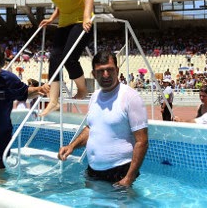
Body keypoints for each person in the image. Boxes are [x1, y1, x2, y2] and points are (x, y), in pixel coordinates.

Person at [57, 51, 148, 187]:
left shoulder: (130, 97)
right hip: (93, 171)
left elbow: (142, 141)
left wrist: (129, 178)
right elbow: (91, 128)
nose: (105, 75)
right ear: (94, 74)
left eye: (110, 70)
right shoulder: (95, 97)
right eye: (100, 71)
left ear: (117, 70)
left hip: (119, 172)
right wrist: (72, 146)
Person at [37, 0, 94, 117]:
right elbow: (60, 4)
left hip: (81, 23)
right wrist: (52, 18)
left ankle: (82, 89)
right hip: (64, 23)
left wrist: (86, 17)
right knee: (54, 58)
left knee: (69, 58)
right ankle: (53, 102)